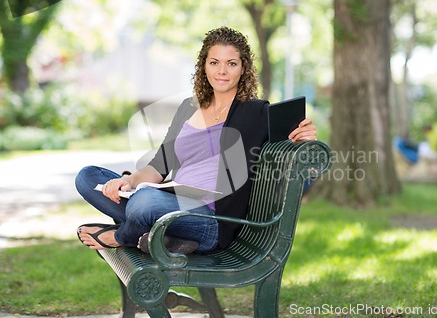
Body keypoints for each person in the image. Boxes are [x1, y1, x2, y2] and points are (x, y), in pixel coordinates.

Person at [76, 26, 317, 253]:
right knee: (89, 177)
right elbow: (160, 165)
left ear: (243, 68)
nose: (222, 71)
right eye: (214, 63)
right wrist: (130, 181)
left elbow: (298, 155)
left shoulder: (256, 112)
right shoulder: (188, 108)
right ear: (204, 66)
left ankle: (122, 237)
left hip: (211, 219)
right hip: (168, 199)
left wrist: (302, 138)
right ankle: (158, 235)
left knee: (144, 202)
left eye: (231, 63)